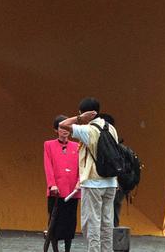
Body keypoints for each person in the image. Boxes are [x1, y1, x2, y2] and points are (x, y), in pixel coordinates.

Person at [59, 97, 118, 252]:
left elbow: (63, 124)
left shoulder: (87, 130)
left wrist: (79, 118)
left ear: (86, 114)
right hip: (111, 182)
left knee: (92, 222)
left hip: (93, 182)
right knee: (107, 222)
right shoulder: (111, 128)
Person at [43, 115, 80, 252]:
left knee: (70, 223)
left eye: (66, 127)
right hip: (56, 191)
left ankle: (68, 249)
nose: (64, 130)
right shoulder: (48, 145)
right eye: (61, 127)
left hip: (72, 191)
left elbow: (80, 167)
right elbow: (48, 166)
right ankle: (55, 249)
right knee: (54, 223)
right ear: (56, 130)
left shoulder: (77, 146)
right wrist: (52, 184)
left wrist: (79, 182)